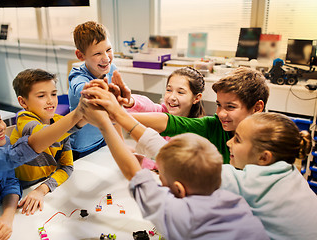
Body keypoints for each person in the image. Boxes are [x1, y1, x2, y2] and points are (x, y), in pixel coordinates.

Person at [79, 94, 269, 240]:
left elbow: (132, 172)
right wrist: (118, 115)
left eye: (161, 180)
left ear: (178, 189)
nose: (159, 182)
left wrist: (104, 124)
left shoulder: (177, 214)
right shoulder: (235, 196)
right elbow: (159, 149)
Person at [0, 97, 82, 239]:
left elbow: (10, 182)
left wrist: (7, 216)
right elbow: (22, 152)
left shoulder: (2, 143)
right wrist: (77, 116)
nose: (1, 127)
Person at [120, 67, 269, 164]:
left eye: (230, 107)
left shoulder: (272, 139)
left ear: (257, 108)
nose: (220, 113)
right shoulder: (213, 125)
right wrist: (117, 113)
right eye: (218, 105)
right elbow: (168, 121)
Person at [221, 112, 317, 240]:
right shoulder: (292, 173)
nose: (228, 142)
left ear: (264, 157)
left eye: (237, 140)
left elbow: (203, 171)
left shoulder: (253, 181)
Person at [10, 68, 82, 215]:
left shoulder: (60, 122)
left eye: (54, 94)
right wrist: (79, 116)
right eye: (42, 96)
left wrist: (42, 189)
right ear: (23, 102)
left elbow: (67, 167)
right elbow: (44, 135)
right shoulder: (24, 119)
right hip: (18, 192)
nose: (50, 100)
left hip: (42, 187)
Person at [68, 21, 130, 160]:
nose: (106, 58)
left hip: (106, 137)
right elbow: (82, 89)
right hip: (84, 146)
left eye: (108, 50)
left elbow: (115, 115)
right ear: (80, 55)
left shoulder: (112, 69)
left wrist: (122, 145)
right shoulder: (77, 76)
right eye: (97, 53)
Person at [124, 67, 205, 118]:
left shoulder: (198, 128)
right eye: (169, 90)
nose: (172, 97)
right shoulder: (162, 113)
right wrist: (129, 101)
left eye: (180, 92)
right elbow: (147, 106)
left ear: (196, 98)